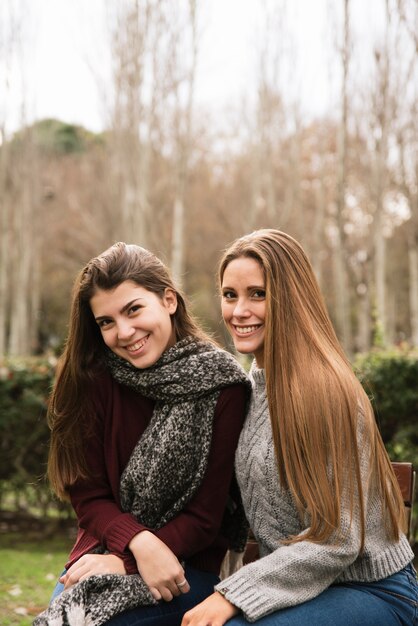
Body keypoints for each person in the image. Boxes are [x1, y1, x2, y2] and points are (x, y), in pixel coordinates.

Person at [181, 229, 417, 626]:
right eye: (230, 295)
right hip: (303, 586)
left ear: (290, 298)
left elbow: (339, 539)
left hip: (371, 589)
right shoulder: (252, 386)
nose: (239, 311)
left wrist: (234, 594)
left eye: (258, 294)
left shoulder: (324, 389)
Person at [34, 242, 250, 626]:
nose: (124, 332)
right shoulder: (97, 379)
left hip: (186, 568)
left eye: (133, 310)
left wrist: (129, 560)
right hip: (100, 554)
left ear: (168, 300)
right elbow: (89, 494)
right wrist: (135, 545)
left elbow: (205, 518)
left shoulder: (222, 386)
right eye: (106, 322)